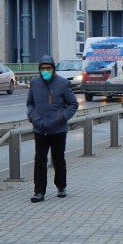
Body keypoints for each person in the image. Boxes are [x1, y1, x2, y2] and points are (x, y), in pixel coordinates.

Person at [26, 55, 79, 203]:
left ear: (53, 69)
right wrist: (33, 117)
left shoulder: (62, 84)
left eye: (48, 68)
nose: (45, 71)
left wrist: (61, 118)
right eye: (43, 69)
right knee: (40, 160)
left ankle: (61, 186)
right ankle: (39, 191)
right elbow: (30, 104)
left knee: (58, 158)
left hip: (58, 129)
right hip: (40, 128)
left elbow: (73, 105)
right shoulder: (35, 83)